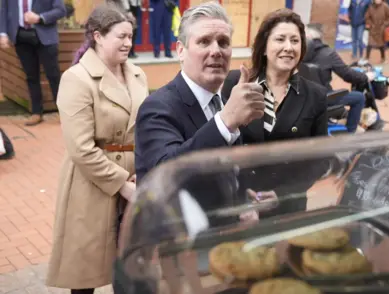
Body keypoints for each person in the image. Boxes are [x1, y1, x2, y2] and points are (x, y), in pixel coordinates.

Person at [45, 4, 149, 294]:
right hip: (91, 184)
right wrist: (122, 185)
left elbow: (146, 127)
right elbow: (80, 148)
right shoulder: (76, 79)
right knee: (85, 273)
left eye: (131, 36)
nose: (129, 43)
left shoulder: (137, 74)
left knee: (129, 266)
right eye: (121, 36)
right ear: (97, 36)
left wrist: (144, 170)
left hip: (135, 176)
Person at [135, 2, 268, 224]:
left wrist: (241, 197)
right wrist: (226, 121)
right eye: (204, 41)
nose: (216, 51)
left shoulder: (223, 101)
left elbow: (226, 167)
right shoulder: (157, 107)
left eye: (223, 42)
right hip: (178, 244)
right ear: (180, 50)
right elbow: (168, 174)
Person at [220, 9, 333, 216]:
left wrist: (283, 193)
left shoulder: (315, 95)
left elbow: (321, 158)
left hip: (288, 206)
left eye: (295, 41)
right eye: (280, 39)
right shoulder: (236, 83)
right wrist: (238, 189)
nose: (288, 48)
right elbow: (220, 143)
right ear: (264, 47)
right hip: (240, 204)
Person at [0, 0, 66, 126]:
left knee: (54, 76)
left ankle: (64, 113)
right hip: (21, 37)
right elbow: (3, 11)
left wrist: (39, 18)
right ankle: (36, 112)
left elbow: (60, 10)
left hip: (46, 37)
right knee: (31, 76)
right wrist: (2, 33)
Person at [302, 23, 375, 133]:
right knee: (359, 97)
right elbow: (347, 75)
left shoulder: (298, 53)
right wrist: (365, 77)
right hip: (324, 98)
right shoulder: (328, 53)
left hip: (303, 99)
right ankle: (350, 133)